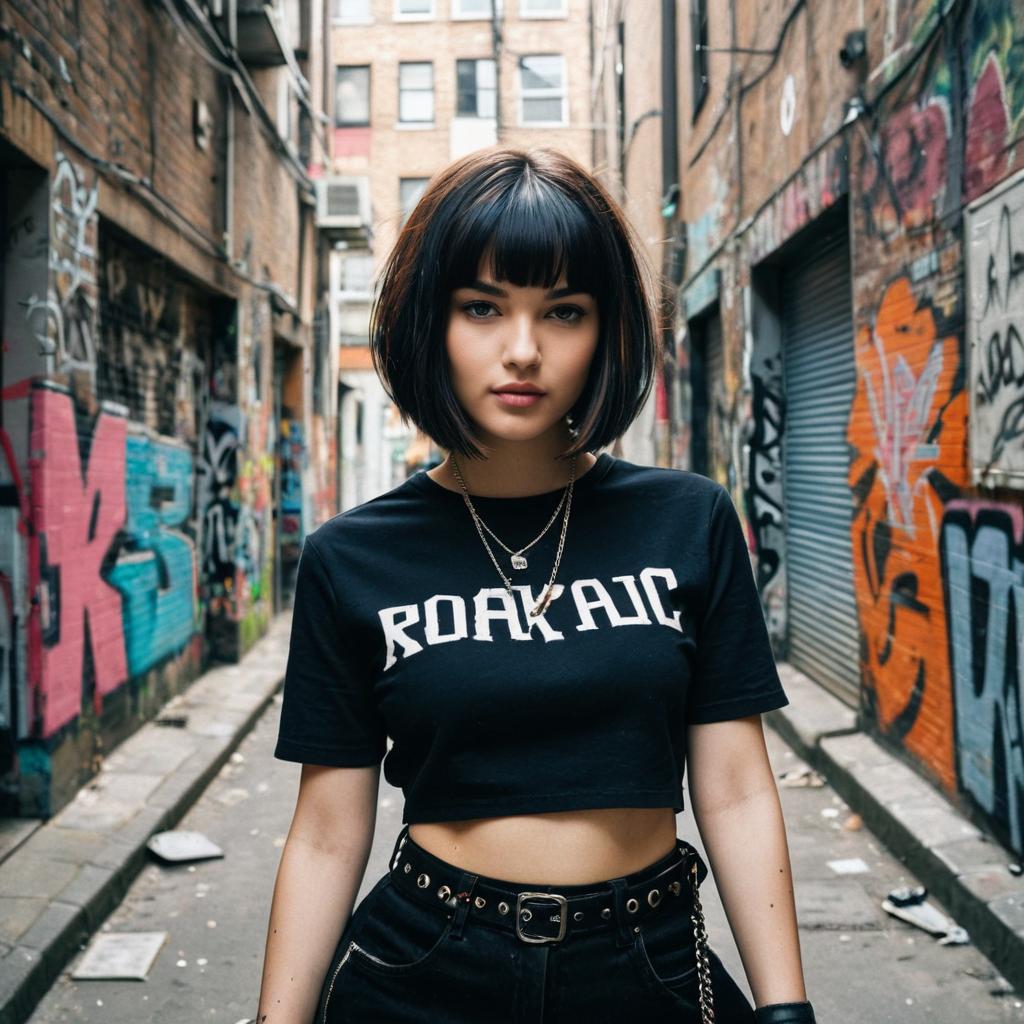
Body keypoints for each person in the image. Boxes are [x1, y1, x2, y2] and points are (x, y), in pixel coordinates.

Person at [256, 146, 816, 1024]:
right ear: (429, 321)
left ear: (606, 330)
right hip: (425, 963)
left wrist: (787, 1009)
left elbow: (737, 785)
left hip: (646, 959)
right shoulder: (350, 558)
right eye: (482, 307)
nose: (522, 350)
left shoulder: (690, 521)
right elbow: (328, 830)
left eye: (563, 311)